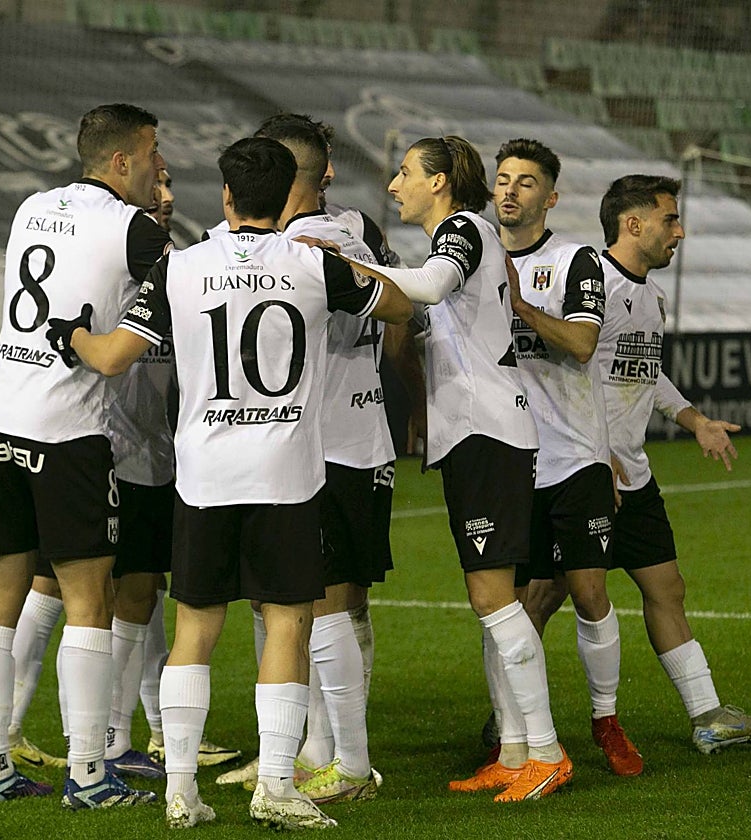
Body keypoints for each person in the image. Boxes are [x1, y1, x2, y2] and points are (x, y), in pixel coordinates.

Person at [46, 136, 412, 828]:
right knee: (285, 622)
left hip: (205, 476)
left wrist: (73, 339)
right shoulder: (313, 264)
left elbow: (116, 354)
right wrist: (357, 269)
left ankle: (181, 789)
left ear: (226, 197)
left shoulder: (181, 267)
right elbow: (397, 309)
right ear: (288, 200)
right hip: (287, 474)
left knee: (196, 627)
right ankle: (276, 785)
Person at [316, 135, 573, 802]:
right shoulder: (461, 235)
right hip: (475, 434)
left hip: (490, 433)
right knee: (490, 600)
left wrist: (343, 269)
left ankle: (545, 751)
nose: (394, 185)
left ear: (439, 183)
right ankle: (516, 752)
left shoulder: (463, 228)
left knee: (495, 600)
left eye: (404, 173)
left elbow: (428, 287)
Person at [526, 175, 751, 754]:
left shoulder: (649, 295)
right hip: (588, 472)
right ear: (633, 223)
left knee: (667, 587)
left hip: (631, 473)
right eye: (670, 219)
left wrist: (694, 420)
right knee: (543, 597)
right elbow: (563, 375)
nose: (680, 231)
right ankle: (510, 718)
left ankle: (708, 716)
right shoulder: (594, 285)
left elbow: (644, 373)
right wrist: (597, 458)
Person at [3, 165, 241, 777]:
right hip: (108, 452)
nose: (163, 197)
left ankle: (139, 732)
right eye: (154, 185)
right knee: (75, 589)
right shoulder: (112, 272)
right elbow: (102, 354)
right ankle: (85, 739)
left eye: (169, 191)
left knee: (135, 590)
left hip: (152, 456)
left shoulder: (177, 276)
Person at [0, 102, 169, 808]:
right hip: (67, 428)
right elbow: (169, 290)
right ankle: (89, 775)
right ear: (122, 161)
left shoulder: (32, 208)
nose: (156, 169)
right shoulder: (134, 228)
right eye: (151, 155)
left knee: (0, 595)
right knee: (91, 598)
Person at [231, 113, 396, 804]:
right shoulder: (361, 230)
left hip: (314, 449)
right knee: (329, 602)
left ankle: (332, 756)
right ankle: (310, 748)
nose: (330, 174)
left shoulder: (291, 248)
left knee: (303, 603)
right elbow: (400, 314)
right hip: (361, 443)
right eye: (322, 163)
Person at [487, 138, 642, 779]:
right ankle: (512, 739)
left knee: (588, 591)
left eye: (526, 182)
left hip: (574, 453)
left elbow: (581, 342)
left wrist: (518, 305)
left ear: (550, 197)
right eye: (502, 179)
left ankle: (605, 719)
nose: (510, 191)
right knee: (505, 603)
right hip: (507, 457)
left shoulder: (574, 260)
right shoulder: (472, 260)